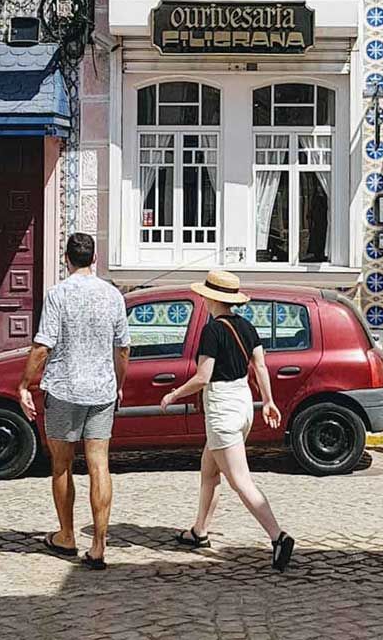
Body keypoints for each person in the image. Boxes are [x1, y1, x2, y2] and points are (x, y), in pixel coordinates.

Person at [160, 270, 296, 572]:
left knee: (239, 480)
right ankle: (200, 531)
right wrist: (269, 401)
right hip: (243, 405)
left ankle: (278, 536)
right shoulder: (247, 327)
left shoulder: (212, 331)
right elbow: (260, 366)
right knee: (210, 470)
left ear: (210, 298)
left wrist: (173, 395)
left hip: (222, 409)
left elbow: (203, 377)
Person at [18, 233, 130, 571]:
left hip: (64, 389)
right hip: (101, 390)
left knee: (61, 465)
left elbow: (43, 346)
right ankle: (99, 544)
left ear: (66, 258)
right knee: (99, 465)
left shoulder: (58, 295)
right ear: (94, 259)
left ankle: (66, 535)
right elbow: (123, 348)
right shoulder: (113, 296)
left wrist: (25, 383)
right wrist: (118, 384)